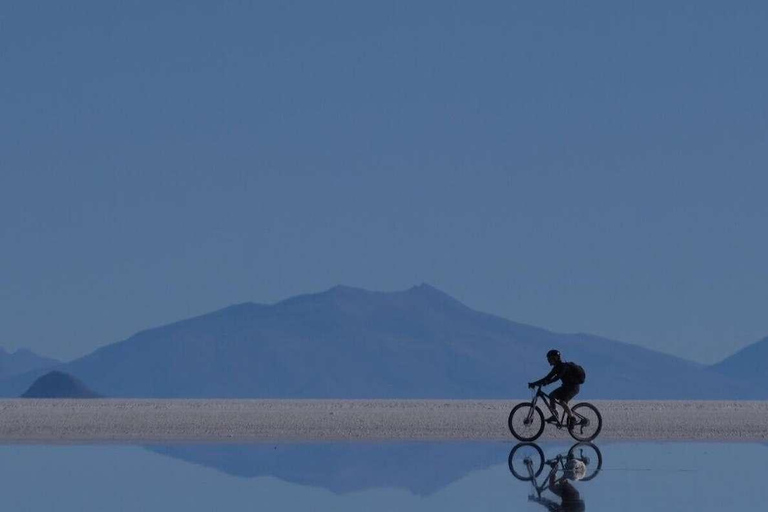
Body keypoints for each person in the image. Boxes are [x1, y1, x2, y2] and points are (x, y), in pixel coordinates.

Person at [528, 349, 580, 426]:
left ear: (555, 358)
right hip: (565, 387)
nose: (548, 361)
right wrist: (534, 383)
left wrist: (546, 383)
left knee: (562, 402)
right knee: (551, 395)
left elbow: (557, 377)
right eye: (548, 359)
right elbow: (547, 377)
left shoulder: (563, 366)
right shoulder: (556, 368)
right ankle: (555, 415)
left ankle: (572, 418)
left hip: (573, 387)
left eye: (550, 359)